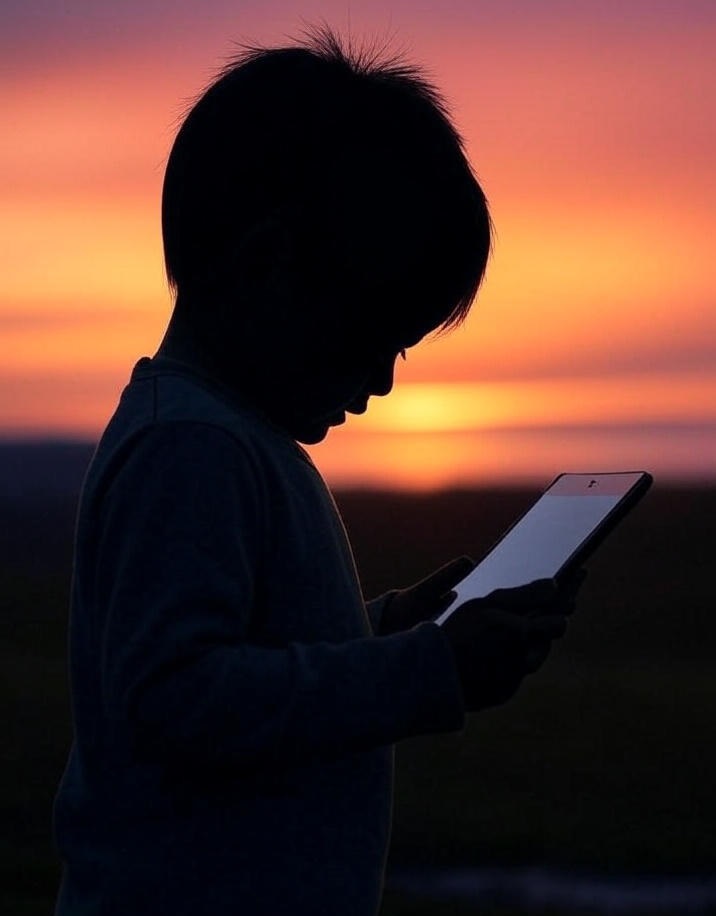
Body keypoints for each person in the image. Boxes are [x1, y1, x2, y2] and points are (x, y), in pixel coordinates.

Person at [53, 26, 577, 916]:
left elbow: (245, 659)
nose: (378, 380)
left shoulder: (230, 439)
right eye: (371, 338)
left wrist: (388, 629)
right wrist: (425, 672)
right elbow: (179, 702)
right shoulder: (195, 449)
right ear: (266, 265)